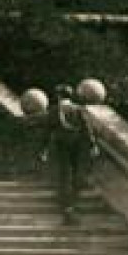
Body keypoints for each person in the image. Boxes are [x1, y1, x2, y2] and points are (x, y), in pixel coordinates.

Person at [43, 84, 96, 223]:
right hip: (77, 144)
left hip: (62, 144)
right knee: (75, 171)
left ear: (59, 96)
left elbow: (48, 131)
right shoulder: (78, 109)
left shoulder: (55, 110)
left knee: (64, 173)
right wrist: (93, 145)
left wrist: (44, 149)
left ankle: (66, 205)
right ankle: (73, 201)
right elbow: (86, 127)